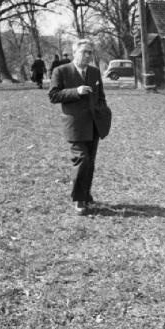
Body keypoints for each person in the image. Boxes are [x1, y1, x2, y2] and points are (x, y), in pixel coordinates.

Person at [48, 39, 112, 215]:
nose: (88, 56)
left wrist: (103, 111)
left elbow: (101, 96)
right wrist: (76, 91)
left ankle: (86, 195)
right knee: (81, 160)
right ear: (74, 52)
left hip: (94, 125)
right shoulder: (60, 71)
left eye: (90, 52)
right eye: (84, 52)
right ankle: (78, 200)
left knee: (90, 163)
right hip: (75, 125)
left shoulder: (94, 72)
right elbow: (53, 95)